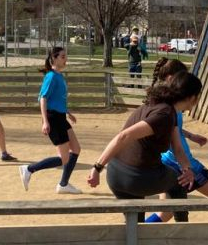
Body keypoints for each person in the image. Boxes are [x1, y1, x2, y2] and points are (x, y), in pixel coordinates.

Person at [86, 72, 201, 222]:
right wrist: (97, 167)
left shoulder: (161, 106)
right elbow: (124, 136)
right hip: (136, 176)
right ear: (193, 97)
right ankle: (184, 234)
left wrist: (187, 169)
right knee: (179, 183)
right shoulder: (165, 114)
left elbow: (178, 148)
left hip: (116, 175)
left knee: (136, 229)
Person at [143, 58, 208, 223]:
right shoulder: (170, 105)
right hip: (182, 164)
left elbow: (169, 126)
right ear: (171, 78)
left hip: (165, 163)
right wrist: (187, 167)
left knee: (165, 213)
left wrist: (190, 135)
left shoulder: (163, 103)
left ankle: (134, 235)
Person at [18, 47, 82, 194]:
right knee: (63, 158)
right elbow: (43, 99)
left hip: (60, 117)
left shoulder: (59, 76)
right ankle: (28, 169)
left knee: (76, 149)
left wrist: (68, 113)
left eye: (66, 57)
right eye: (63, 57)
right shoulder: (51, 76)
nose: (66, 60)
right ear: (54, 58)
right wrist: (45, 121)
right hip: (53, 118)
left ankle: (63, 184)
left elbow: (57, 99)